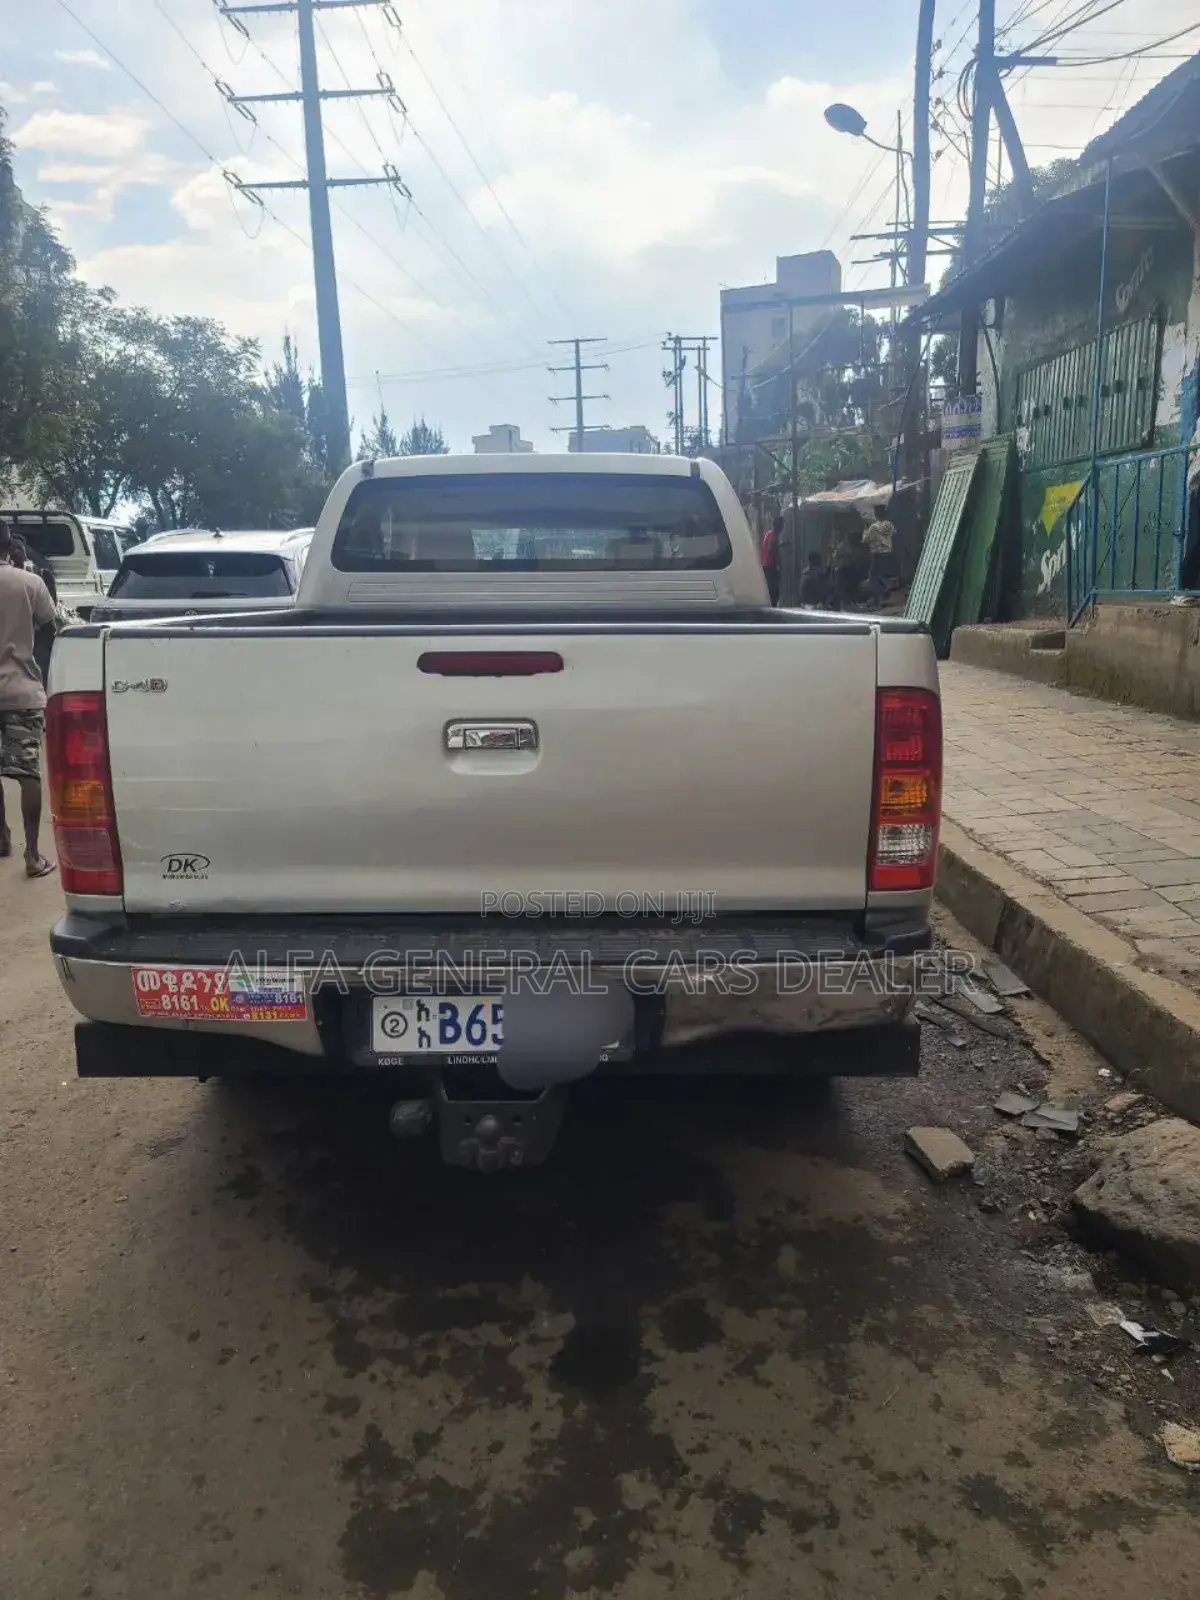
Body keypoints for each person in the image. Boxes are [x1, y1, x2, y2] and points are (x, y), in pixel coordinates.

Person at [0, 522, 57, 877]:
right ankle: (33, 856)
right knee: (28, 773)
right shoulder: (29, 582)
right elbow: (52, 627)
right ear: (9, 545)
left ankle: (1, 840)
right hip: (21, 690)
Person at [10, 533, 56, 685]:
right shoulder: (6, 577)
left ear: (26, 550)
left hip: (37, 634)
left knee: (38, 671)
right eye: (12, 549)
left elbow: (51, 607)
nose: (15, 552)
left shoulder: (41, 575)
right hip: (13, 634)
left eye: (19, 548)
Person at [862, 503, 896, 603]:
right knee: (881, 575)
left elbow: (865, 540)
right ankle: (885, 589)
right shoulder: (889, 524)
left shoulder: (873, 527)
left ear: (876, 514)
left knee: (873, 577)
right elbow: (895, 533)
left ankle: (881, 595)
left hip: (877, 554)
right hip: (888, 552)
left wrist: (865, 530)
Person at [761, 514, 783, 605]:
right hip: (770, 567)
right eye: (781, 525)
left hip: (767, 566)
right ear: (777, 525)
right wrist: (781, 546)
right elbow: (770, 549)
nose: (782, 527)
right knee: (774, 592)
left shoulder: (768, 533)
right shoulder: (773, 535)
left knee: (772, 591)